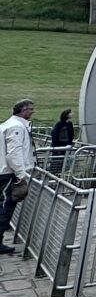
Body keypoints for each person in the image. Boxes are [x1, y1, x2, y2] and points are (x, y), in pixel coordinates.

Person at [0, 98, 36, 255]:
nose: (32, 112)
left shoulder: (7, 124)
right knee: (5, 207)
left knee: (4, 206)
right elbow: (14, 153)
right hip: (8, 173)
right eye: (31, 109)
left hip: (5, 171)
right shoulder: (16, 127)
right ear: (23, 111)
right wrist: (21, 175)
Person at [49, 109, 74, 174]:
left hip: (66, 146)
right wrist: (55, 145)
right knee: (57, 161)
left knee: (63, 161)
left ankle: (60, 174)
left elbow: (71, 134)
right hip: (59, 146)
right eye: (70, 113)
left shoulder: (70, 124)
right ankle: (53, 175)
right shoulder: (60, 124)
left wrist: (70, 144)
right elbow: (55, 134)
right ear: (66, 114)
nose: (72, 114)